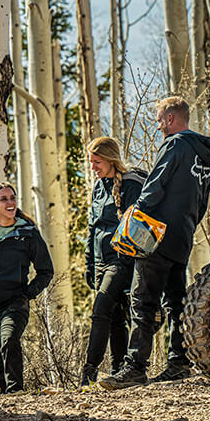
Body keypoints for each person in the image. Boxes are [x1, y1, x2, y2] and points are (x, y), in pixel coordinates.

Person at [100, 96, 210, 389]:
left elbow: (155, 184)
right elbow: (204, 200)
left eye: (158, 120)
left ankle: (134, 368)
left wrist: (136, 215)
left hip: (156, 234)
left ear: (170, 119)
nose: (157, 127)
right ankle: (179, 361)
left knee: (142, 300)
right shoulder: (204, 155)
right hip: (183, 235)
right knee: (176, 301)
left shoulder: (175, 144)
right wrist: (188, 225)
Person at [0, 182, 54, 394]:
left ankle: (16, 391)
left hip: (13, 303)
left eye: (12, 198)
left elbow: (46, 271)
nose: (10, 202)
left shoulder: (28, 233)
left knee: (9, 340)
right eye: (4, 199)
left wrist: (27, 293)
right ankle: (0, 395)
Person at [80, 137, 148, 386]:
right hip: (100, 261)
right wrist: (89, 263)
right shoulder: (98, 187)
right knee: (115, 316)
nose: (93, 167)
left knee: (100, 311)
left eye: (97, 162)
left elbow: (137, 224)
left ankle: (88, 372)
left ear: (110, 159)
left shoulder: (131, 184)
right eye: (91, 162)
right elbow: (92, 228)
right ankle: (119, 370)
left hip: (120, 261)